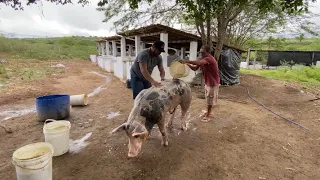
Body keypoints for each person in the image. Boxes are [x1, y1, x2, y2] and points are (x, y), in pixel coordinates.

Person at [178, 45, 220, 122]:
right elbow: (195, 68)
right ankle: (208, 111)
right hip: (208, 81)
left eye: (203, 53)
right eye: (200, 52)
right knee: (208, 98)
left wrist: (186, 61)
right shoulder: (203, 59)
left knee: (210, 99)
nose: (201, 54)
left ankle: (208, 115)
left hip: (213, 82)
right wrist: (187, 65)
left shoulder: (209, 59)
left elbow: (198, 62)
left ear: (208, 52)